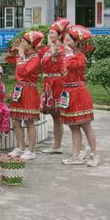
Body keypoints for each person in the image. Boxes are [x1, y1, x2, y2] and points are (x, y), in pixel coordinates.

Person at [61, 25, 99, 167]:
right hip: (68, 93)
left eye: (69, 39)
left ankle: (95, 154)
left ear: (76, 42)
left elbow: (73, 67)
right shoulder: (66, 55)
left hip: (79, 92)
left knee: (85, 125)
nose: (66, 41)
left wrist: (69, 54)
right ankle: (76, 155)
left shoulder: (80, 56)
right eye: (66, 38)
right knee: (73, 126)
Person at [7, 31, 43, 161]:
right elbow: (9, 59)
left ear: (31, 44)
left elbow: (22, 72)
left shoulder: (35, 58)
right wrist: (14, 51)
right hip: (19, 90)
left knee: (29, 121)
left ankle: (31, 150)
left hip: (29, 90)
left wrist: (21, 55)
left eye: (24, 42)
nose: (21, 44)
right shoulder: (25, 56)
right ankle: (20, 147)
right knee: (16, 120)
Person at [39, 19, 69, 154]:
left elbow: (60, 62)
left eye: (52, 33)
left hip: (57, 82)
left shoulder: (62, 48)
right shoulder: (46, 48)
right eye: (49, 33)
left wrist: (51, 48)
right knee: (54, 115)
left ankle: (59, 145)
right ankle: (57, 145)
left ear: (59, 34)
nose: (50, 35)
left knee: (59, 115)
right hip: (47, 82)